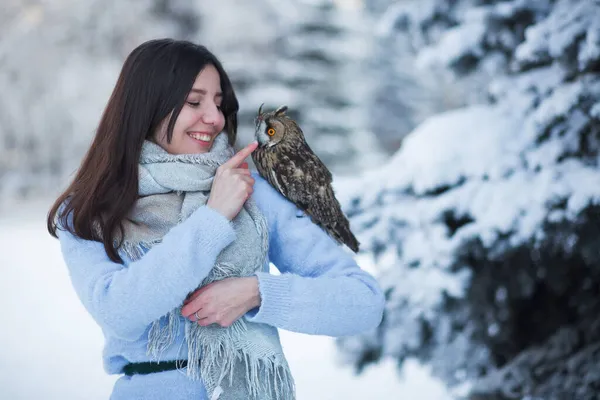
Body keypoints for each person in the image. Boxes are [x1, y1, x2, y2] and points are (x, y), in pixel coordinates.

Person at [47, 38, 385, 400]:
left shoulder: (252, 193)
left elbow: (362, 302)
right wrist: (214, 218)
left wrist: (258, 292)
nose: (215, 118)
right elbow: (120, 312)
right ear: (147, 106)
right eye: (194, 102)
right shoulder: (87, 211)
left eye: (220, 104)